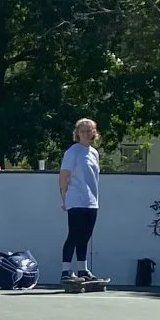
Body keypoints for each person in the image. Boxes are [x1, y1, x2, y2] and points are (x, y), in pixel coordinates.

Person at [58, 118, 101, 282]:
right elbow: (63, 176)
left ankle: (83, 270)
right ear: (77, 133)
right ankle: (66, 271)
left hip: (91, 200)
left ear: (93, 133)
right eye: (82, 131)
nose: (85, 134)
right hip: (76, 199)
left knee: (86, 236)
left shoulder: (94, 153)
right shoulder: (72, 152)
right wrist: (64, 197)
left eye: (89, 131)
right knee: (74, 234)